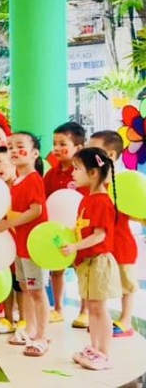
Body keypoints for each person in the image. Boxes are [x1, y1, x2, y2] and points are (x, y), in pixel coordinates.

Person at [0, 132, 50, 358]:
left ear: (35, 153)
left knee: (37, 291)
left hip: (33, 246)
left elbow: (36, 210)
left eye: (20, 146)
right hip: (20, 246)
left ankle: (42, 336)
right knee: (26, 289)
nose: (14, 151)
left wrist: (8, 223)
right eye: (10, 147)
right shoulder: (16, 182)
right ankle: (31, 329)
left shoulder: (34, 179)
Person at [62, 147, 121, 370]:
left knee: (99, 308)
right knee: (93, 308)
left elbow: (100, 235)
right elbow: (82, 229)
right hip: (87, 263)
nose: (73, 173)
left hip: (99, 262)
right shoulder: (87, 199)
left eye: (77, 169)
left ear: (93, 172)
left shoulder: (102, 201)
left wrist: (75, 246)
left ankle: (105, 354)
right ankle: (95, 348)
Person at [88, 131, 138, 338]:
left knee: (126, 284)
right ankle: (102, 319)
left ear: (110, 155)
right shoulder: (93, 183)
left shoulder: (121, 184)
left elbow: (136, 210)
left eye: (94, 150)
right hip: (101, 245)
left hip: (121, 243)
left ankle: (126, 321)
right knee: (102, 283)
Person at [43, 122, 87, 326]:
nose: (57, 148)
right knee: (57, 268)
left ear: (78, 148)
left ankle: (85, 310)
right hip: (58, 230)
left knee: (82, 269)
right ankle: (58, 308)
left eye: (63, 144)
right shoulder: (51, 174)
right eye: (54, 143)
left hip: (80, 230)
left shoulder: (84, 173)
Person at [0, 146, 26, 335]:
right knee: (7, 279)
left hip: (22, 243)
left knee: (21, 283)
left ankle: (24, 319)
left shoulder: (22, 186)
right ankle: (7, 318)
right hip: (3, 244)